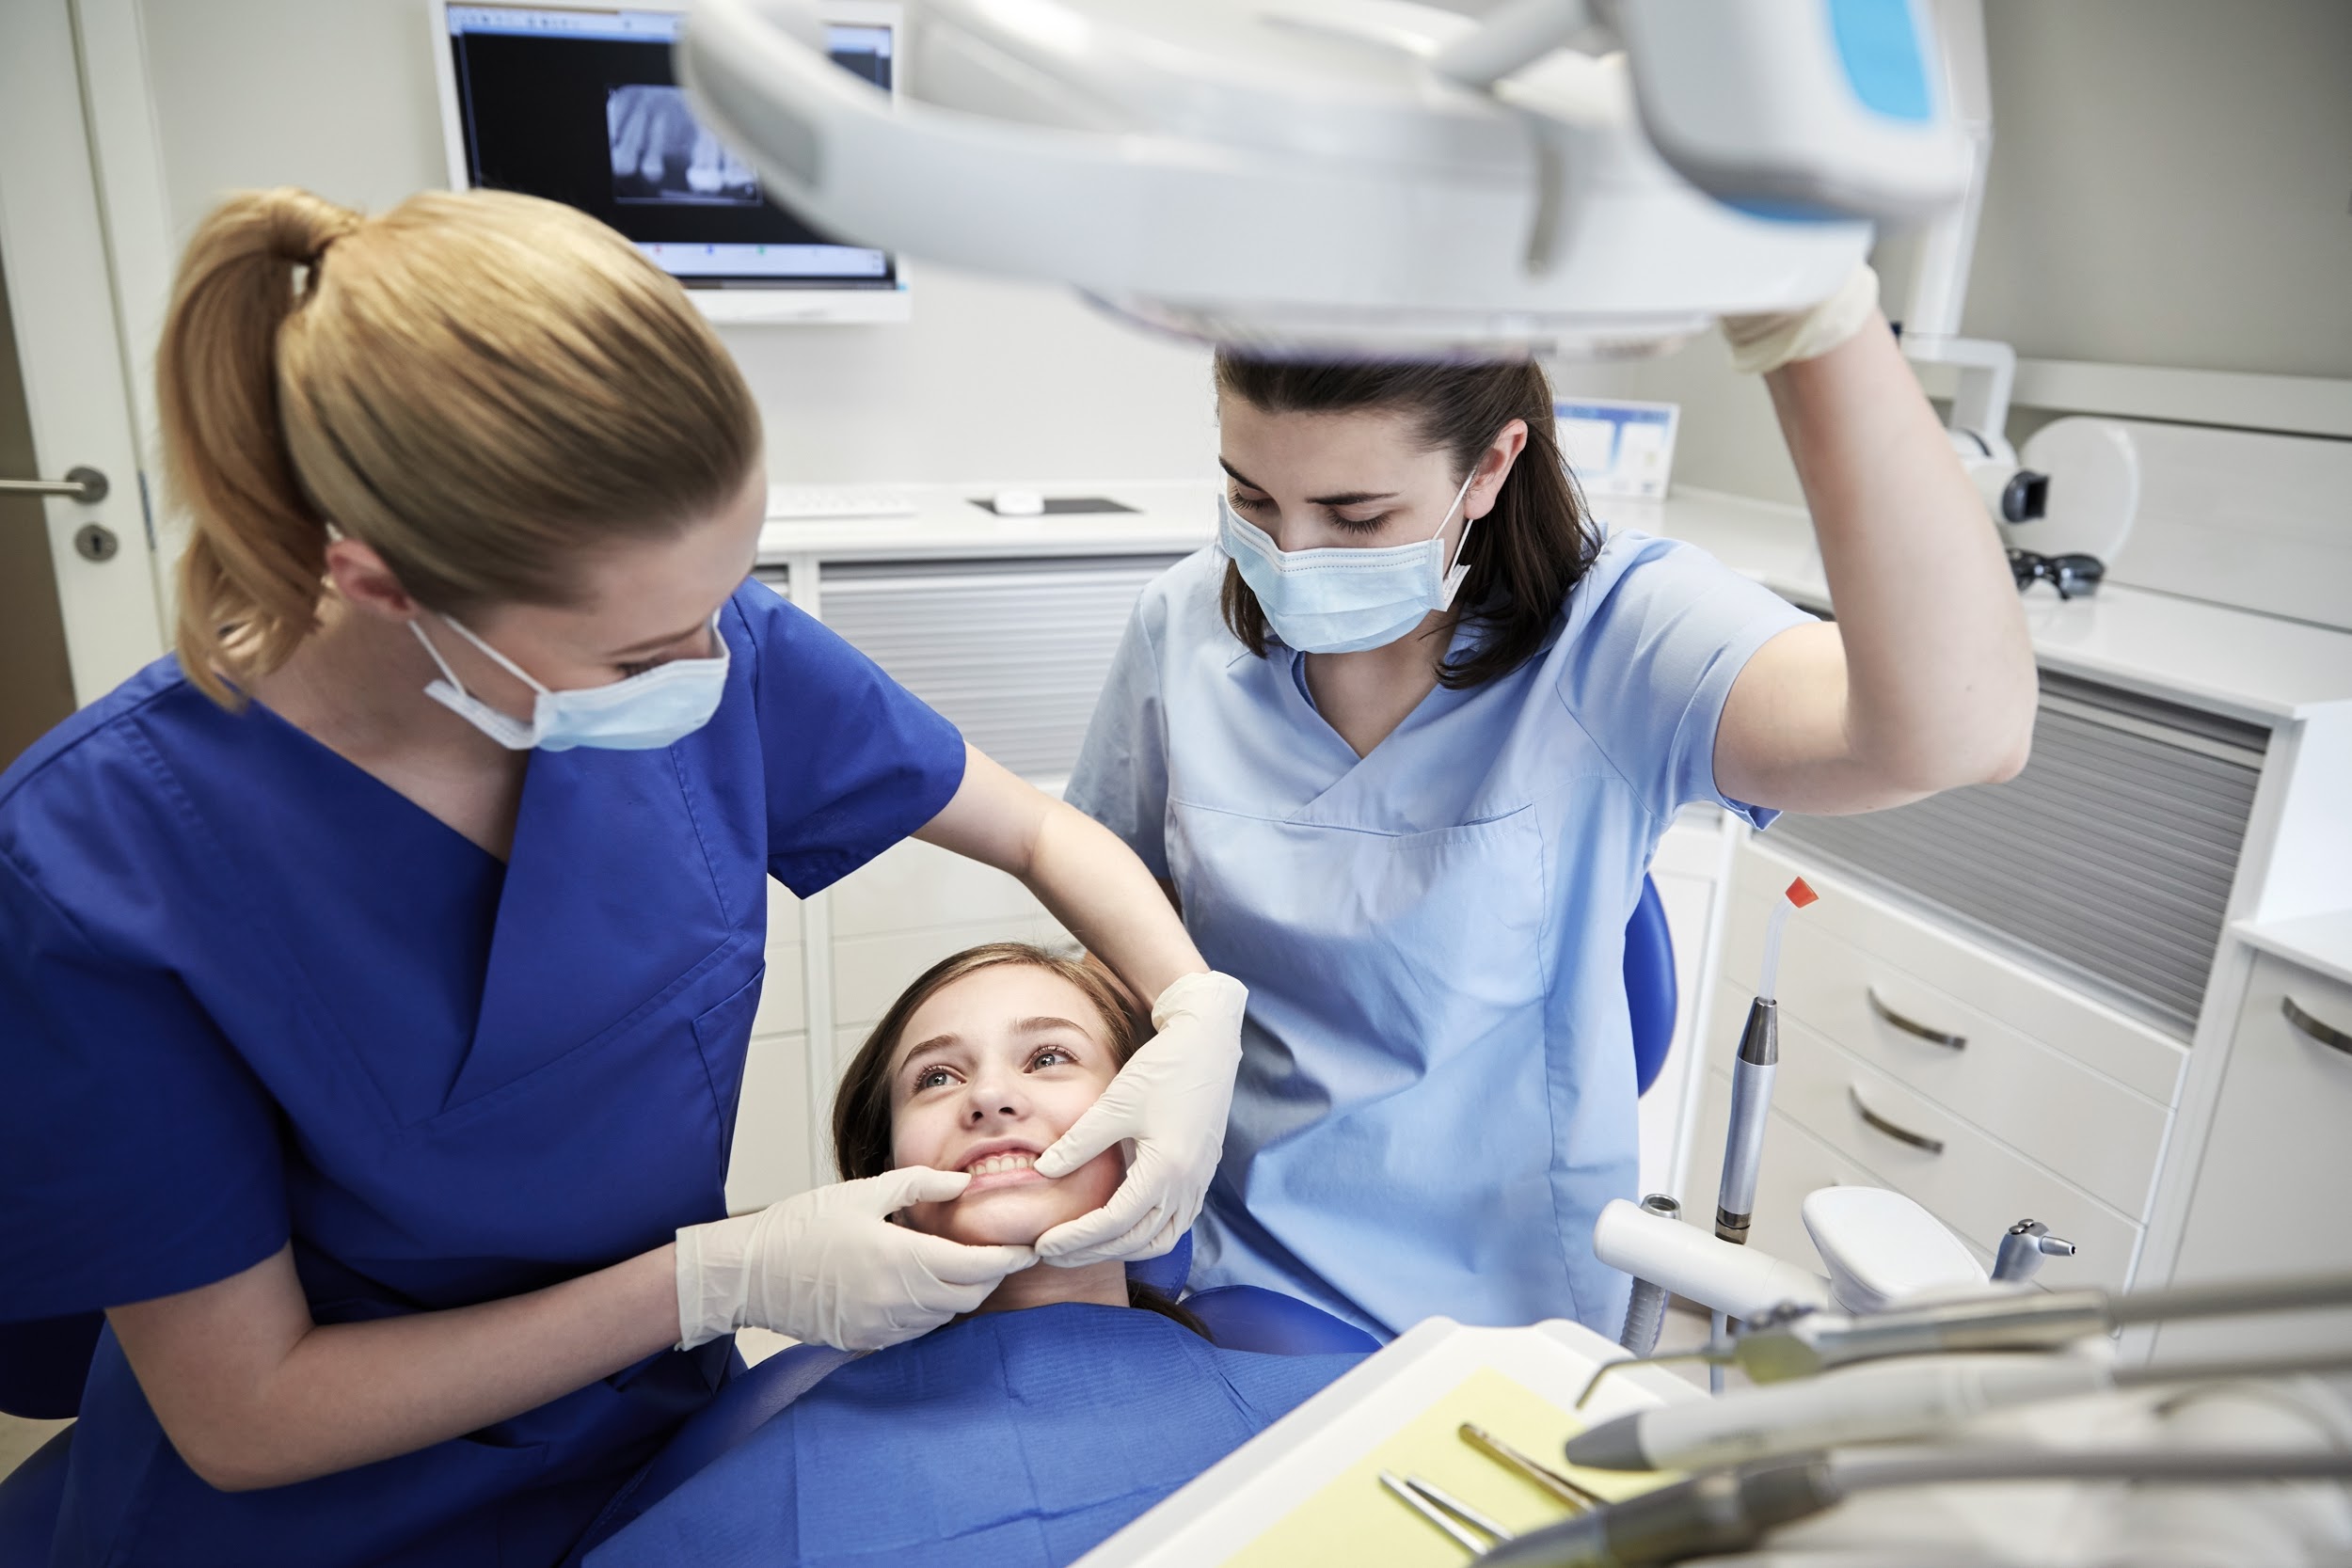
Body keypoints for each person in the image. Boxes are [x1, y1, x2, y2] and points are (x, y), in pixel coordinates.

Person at [0, 187, 1245, 1567]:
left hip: (660, 1446)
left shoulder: (707, 642)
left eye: (723, 599)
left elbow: (1037, 831)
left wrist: (1192, 1007)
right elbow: (247, 1414)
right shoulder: (106, 864)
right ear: (379, 580)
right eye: (644, 655)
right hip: (322, 1511)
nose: (712, 671)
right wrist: (727, 1274)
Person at [1064, 271, 2042, 1340]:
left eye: (1355, 515)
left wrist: (1816, 325)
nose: (1287, 558)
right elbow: (1105, 919)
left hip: (1488, 1303)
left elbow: (1958, 733)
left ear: (1488, 467)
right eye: (1250, 498)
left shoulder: (1619, 633)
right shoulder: (1182, 622)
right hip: (1202, 1255)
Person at [586, 944, 1368, 1568]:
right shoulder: (774, 1441)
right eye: (936, 1076)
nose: (989, 1097)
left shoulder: (1305, 1379)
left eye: (1049, 1058)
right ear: (883, 1175)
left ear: (1162, 1125)